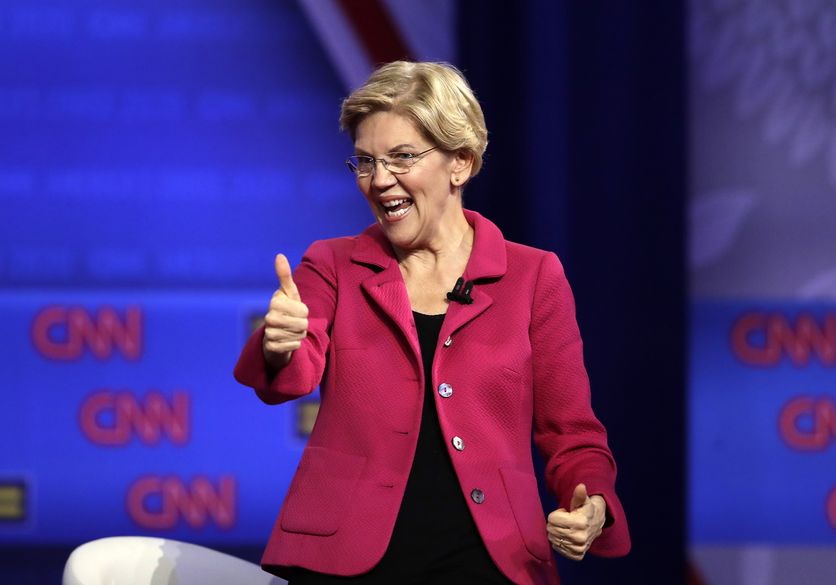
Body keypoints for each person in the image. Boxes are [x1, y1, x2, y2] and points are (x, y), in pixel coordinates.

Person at [233, 61, 630, 585]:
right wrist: (279, 343)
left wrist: (592, 503)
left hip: (489, 559)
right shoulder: (332, 265)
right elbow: (295, 371)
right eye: (366, 161)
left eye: (402, 158)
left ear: (460, 162)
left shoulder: (533, 276)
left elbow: (572, 432)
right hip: (345, 558)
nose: (379, 181)